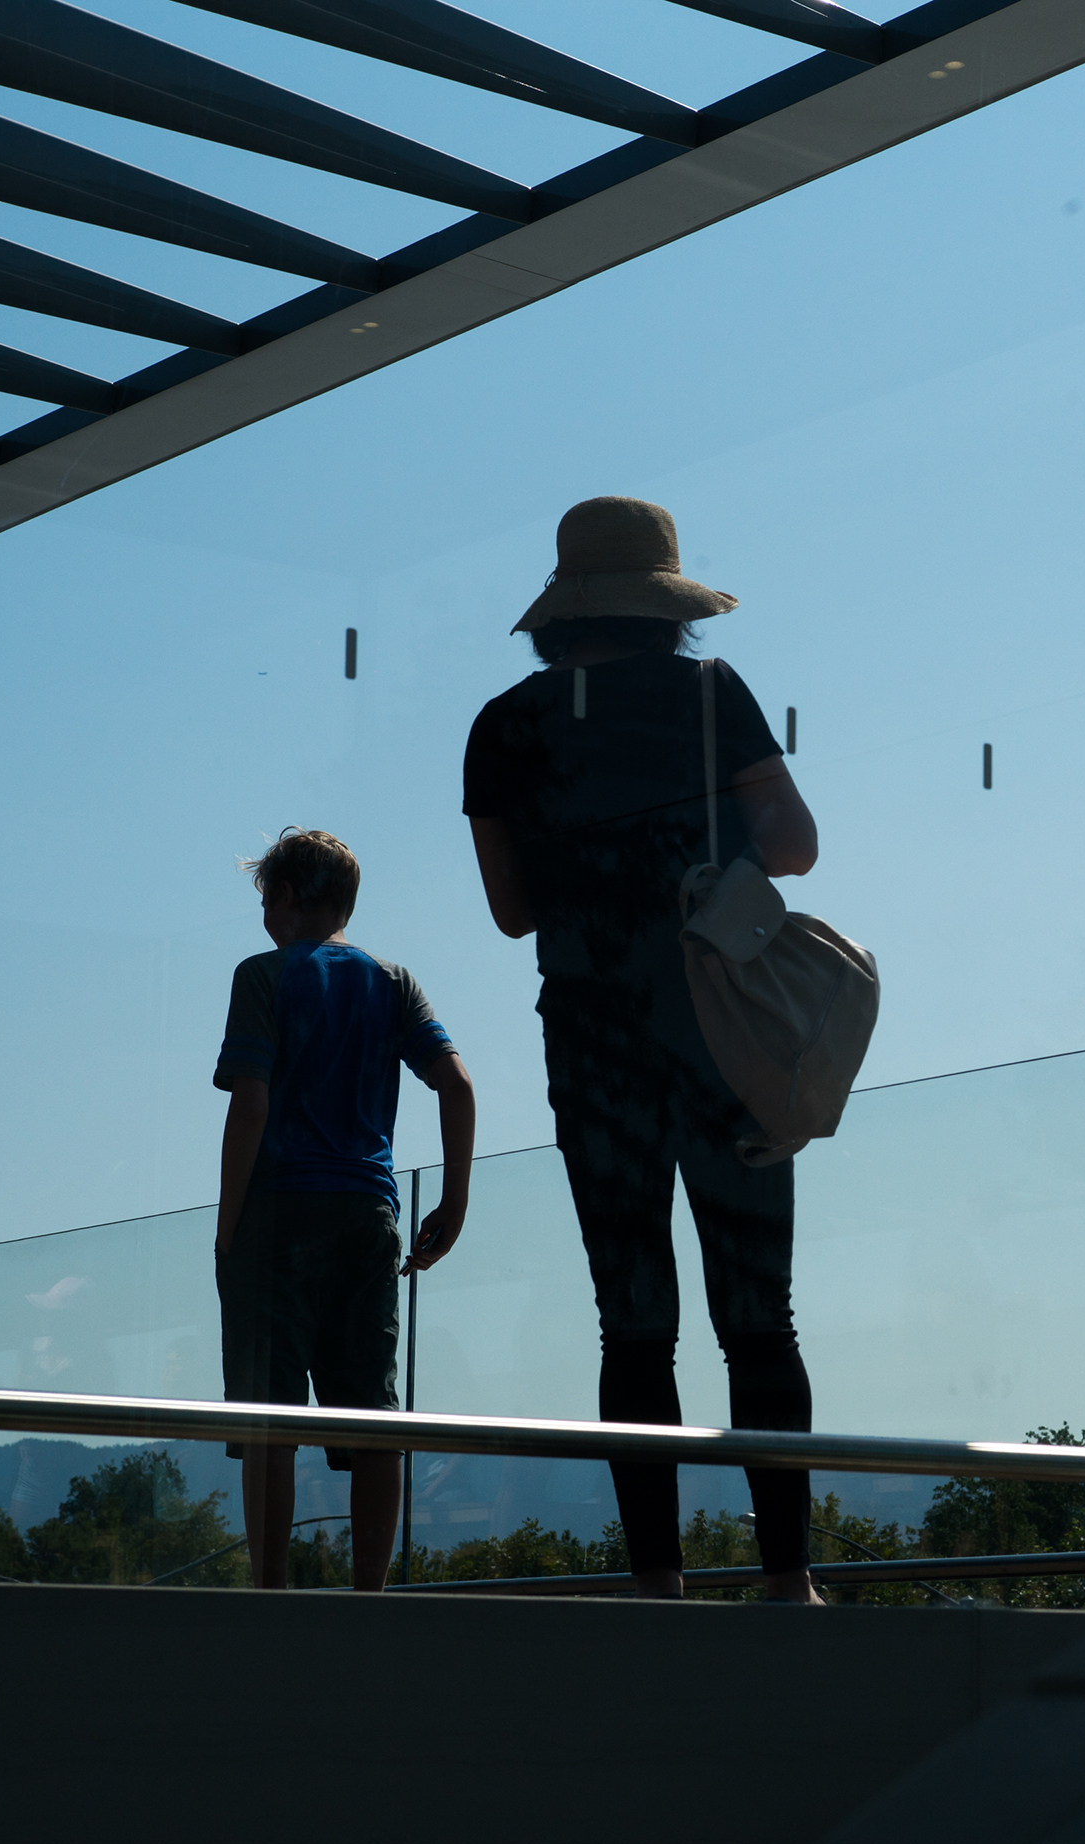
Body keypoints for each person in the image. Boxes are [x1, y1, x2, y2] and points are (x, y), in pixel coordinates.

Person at [462, 495, 826, 1604]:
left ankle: (656, 1577)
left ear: (560, 610)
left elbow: (512, 910)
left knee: (633, 1322)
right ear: (666, 601)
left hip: (591, 1045)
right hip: (727, 1037)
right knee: (760, 1314)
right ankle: (785, 1576)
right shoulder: (713, 696)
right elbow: (798, 848)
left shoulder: (503, 725)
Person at [213, 827, 474, 1591]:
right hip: (368, 1212)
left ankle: (271, 1589)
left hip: (277, 1216)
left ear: (289, 896)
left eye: (267, 899)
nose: (265, 915)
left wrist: (228, 1229)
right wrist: (453, 1200)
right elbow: (455, 1084)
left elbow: (250, 1105)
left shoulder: (262, 975)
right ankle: (369, 1595)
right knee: (373, 1420)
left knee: (271, 1422)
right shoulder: (392, 980)